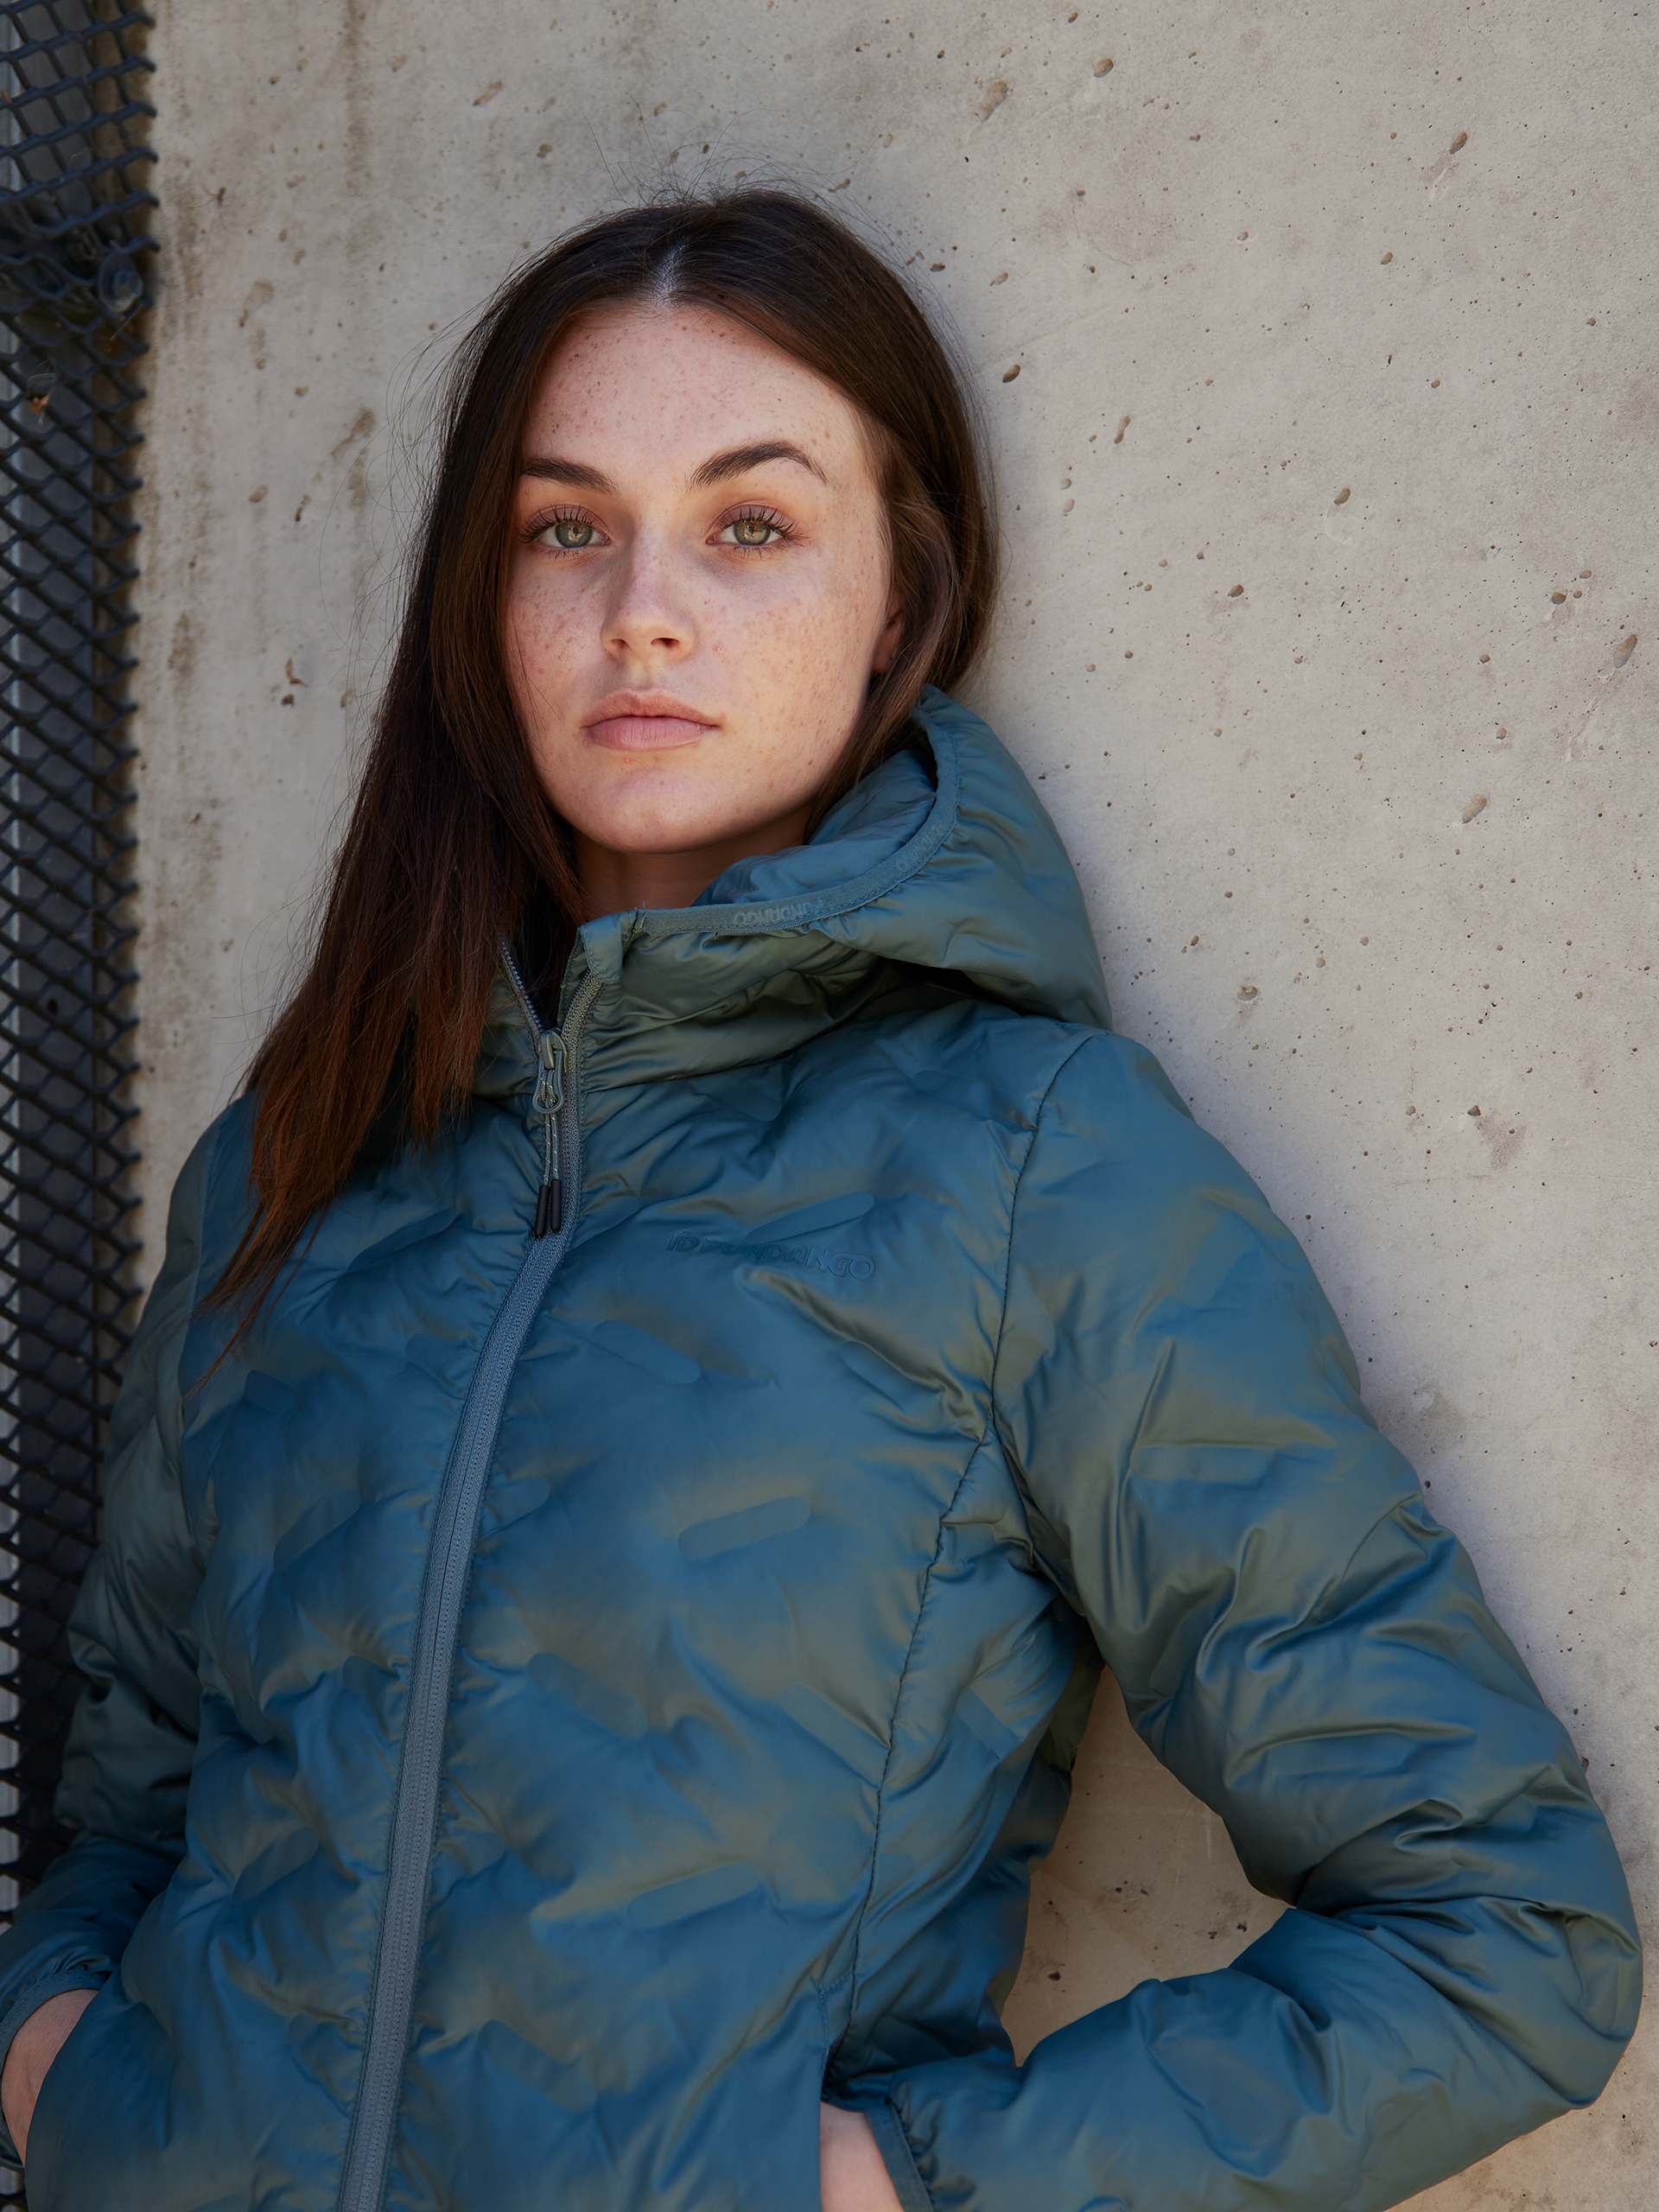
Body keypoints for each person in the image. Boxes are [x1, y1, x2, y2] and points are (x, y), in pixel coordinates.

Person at [0, 188, 1638, 2212]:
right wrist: (61, 2055)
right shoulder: (295, 1153)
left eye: (751, 524)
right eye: (565, 527)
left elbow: (1503, 1930)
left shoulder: (1035, 1169)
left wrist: (901, 2186)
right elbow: (136, 1784)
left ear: (901, 601)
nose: (643, 610)